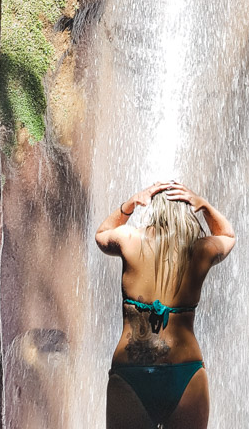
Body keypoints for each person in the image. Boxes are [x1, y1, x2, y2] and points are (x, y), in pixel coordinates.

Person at [96, 180, 235, 429]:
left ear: (153, 210)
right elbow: (228, 235)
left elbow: (101, 235)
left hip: (131, 373)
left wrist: (129, 205)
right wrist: (204, 206)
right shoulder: (201, 249)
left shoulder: (129, 239)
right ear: (187, 211)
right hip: (185, 373)